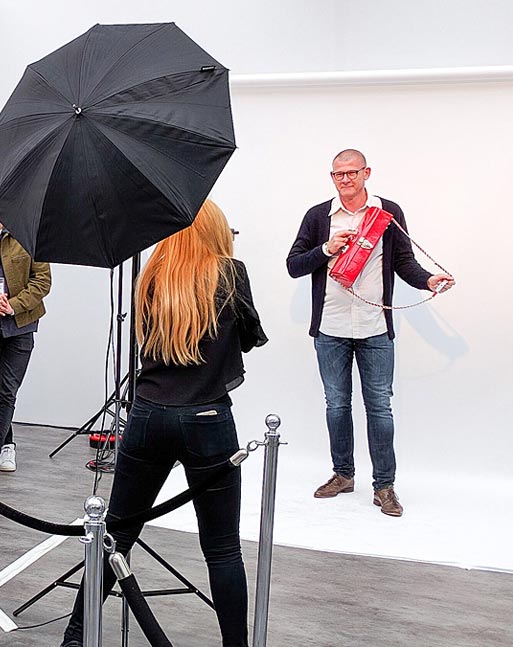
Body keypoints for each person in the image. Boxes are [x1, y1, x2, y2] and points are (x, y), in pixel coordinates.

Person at [61, 200, 267, 647]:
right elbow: (250, 338)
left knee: (116, 535)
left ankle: (75, 637)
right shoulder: (231, 273)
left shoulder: (152, 275)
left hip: (149, 414)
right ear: (214, 231)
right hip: (208, 418)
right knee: (222, 548)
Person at [286, 149, 454, 517]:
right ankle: (343, 475)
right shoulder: (318, 216)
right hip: (330, 327)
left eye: (352, 172)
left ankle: (384, 486)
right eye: (338, 174)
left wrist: (428, 280)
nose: (345, 179)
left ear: (367, 173)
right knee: (336, 405)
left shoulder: (386, 213)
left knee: (379, 407)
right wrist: (325, 249)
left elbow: (404, 262)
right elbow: (294, 265)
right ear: (332, 177)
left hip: (375, 326)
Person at [0, 223, 51, 473]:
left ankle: (4, 446)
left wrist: (13, 305)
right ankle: (7, 443)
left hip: (20, 327)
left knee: (6, 392)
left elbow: (42, 281)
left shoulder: (29, 234)